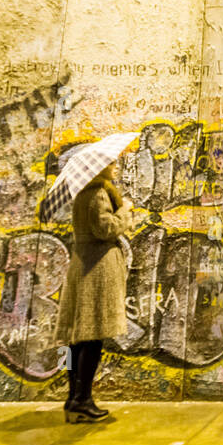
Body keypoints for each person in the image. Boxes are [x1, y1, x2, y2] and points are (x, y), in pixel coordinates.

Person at [55, 161, 136, 423]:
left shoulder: (82, 194)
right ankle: (83, 399)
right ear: (99, 168)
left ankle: (72, 396)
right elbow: (106, 228)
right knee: (93, 335)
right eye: (111, 164)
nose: (115, 167)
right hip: (97, 269)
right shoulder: (98, 193)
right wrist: (125, 211)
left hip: (83, 264)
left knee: (75, 337)